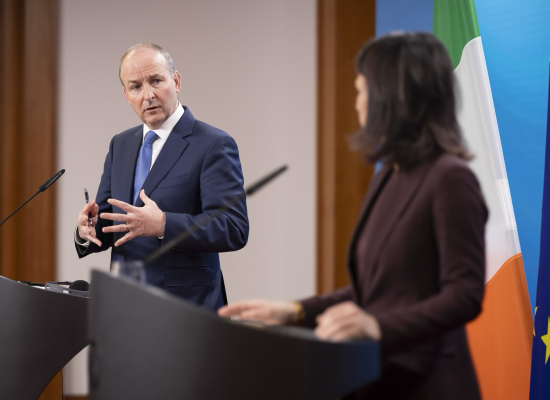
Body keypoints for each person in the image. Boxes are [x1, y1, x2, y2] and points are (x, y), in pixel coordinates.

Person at [219, 32, 486, 400]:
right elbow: (373, 290)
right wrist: (295, 310)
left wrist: (376, 325)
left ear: (391, 98)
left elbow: (464, 294)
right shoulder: (388, 176)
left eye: (361, 91)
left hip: (430, 384)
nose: (357, 104)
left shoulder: (451, 178)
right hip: (378, 378)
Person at [75, 43, 249, 310]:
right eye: (135, 87)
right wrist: (86, 231)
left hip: (185, 310)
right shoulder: (120, 144)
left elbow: (233, 228)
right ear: (126, 94)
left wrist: (164, 224)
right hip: (123, 307)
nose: (148, 95)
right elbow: (110, 221)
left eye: (156, 81)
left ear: (176, 81)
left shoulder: (213, 143)